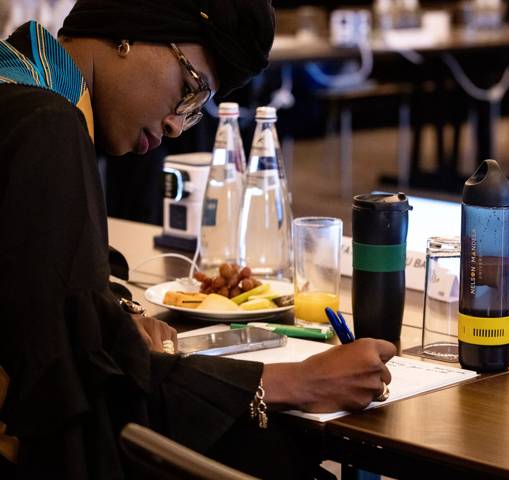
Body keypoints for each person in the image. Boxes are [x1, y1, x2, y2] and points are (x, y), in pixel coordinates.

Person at [0, 1, 396, 478]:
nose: (174, 124)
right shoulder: (47, 127)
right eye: (190, 90)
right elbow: (81, 390)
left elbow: (42, 287)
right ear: (128, 30)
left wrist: (114, 313)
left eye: (194, 112)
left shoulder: (20, 90)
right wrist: (292, 382)